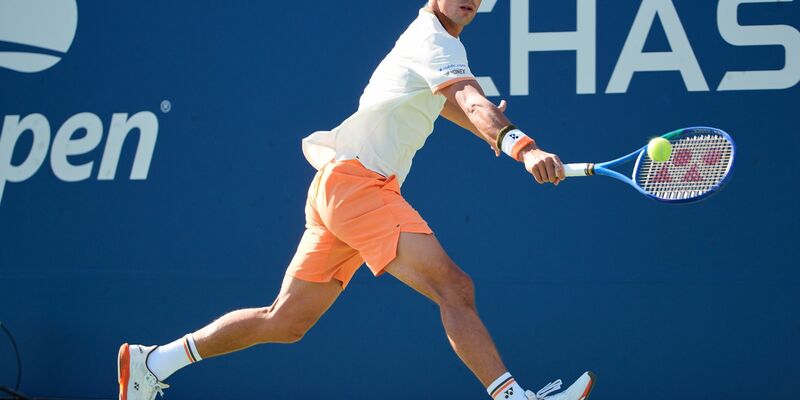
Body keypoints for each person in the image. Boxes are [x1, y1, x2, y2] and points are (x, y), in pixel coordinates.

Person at [117, 1, 595, 399]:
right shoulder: (436, 41)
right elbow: (471, 101)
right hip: (358, 186)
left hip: (338, 185)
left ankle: (153, 362)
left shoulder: (433, 43)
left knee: (285, 320)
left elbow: (453, 105)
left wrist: (492, 132)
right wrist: (522, 147)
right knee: (454, 288)